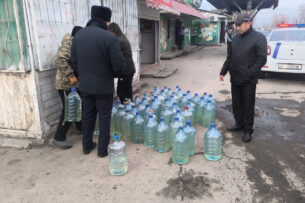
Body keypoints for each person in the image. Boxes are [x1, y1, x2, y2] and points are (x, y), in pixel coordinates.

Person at [71, 6, 125, 157]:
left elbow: (73, 62)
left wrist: (82, 75)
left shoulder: (78, 36)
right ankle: (102, 150)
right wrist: (111, 75)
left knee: (87, 116)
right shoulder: (110, 38)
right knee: (104, 117)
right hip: (103, 87)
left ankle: (86, 146)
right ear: (107, 21)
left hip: (86, 86)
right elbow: (119, 66)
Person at [219, 13, 267, 143]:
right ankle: (239, 123)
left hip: (248, 80)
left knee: (247, 106)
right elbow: (230, 57)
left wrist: (250, 73)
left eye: (239, 25)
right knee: (236, 104)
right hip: (235, 78)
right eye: (236, 26)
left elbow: (262, 59)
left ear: (248, 23)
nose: (237, 28)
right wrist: (223, 71)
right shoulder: (234, 39)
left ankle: (248, 130)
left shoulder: (259, 38)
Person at [53, 26, 83, 149]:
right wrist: (71, 75)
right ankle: (59, 137)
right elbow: (59, 59)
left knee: (78, 105)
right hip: (65, 84)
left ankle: (80, 128)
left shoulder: (74, 44)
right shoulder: (69, 44)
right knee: (68, 109)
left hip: (73, 84)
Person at [108, 23, 136, 104]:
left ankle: (127, 107)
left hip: (126, 70)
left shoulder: (118, 40)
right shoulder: (121, 38)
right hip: (129, 69)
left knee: (122, 91)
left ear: (114, 31)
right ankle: (129, 106)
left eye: (109, 32)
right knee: (127, 89)